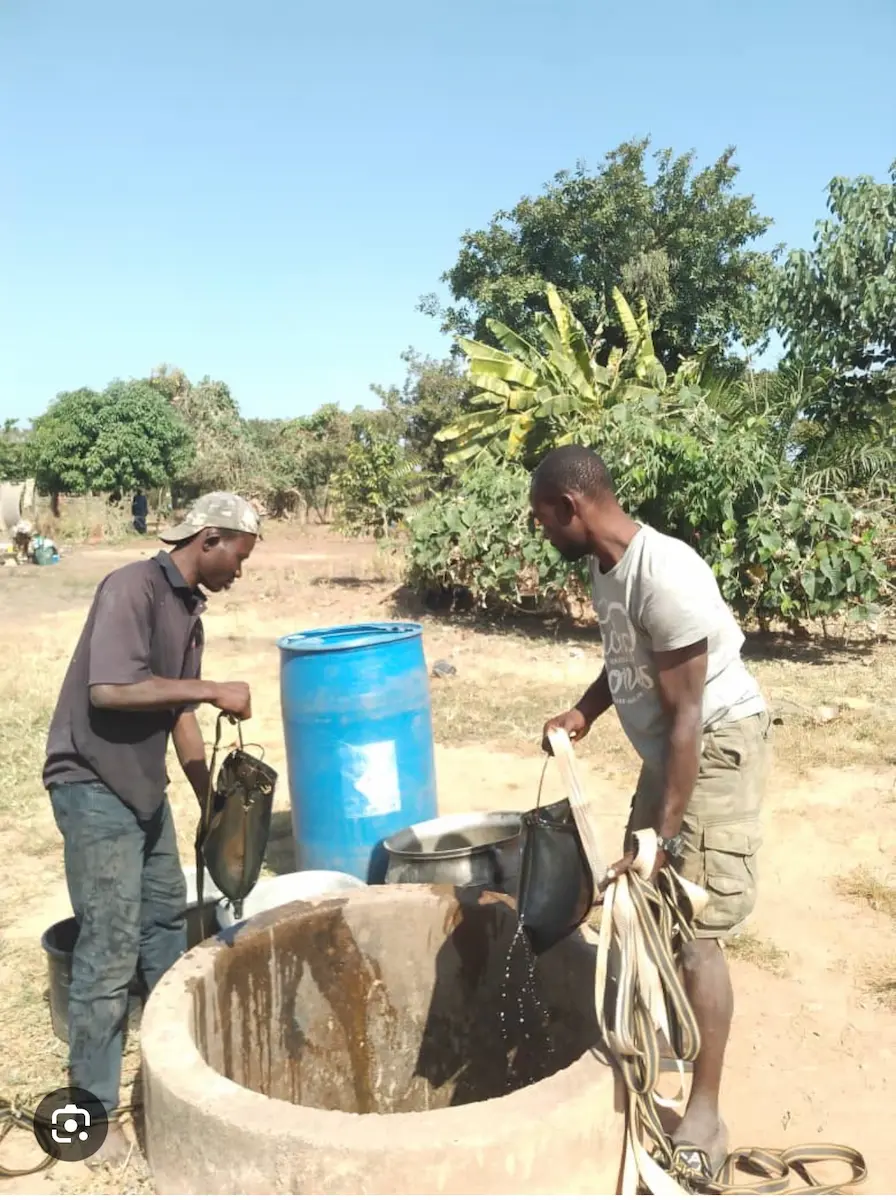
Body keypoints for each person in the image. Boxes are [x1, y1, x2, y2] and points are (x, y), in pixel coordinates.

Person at [531, 445, 771, 1176]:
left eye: (542, 517)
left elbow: (690, 716)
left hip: (714, 746)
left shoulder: (666, 574)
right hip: (669, 749)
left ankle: (705, 1111)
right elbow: (625, 654)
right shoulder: (607, 570)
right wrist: (586, 711)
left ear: (572, 508)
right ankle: (664, 1030)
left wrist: (664, 838)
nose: (539, 531)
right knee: (650, 906)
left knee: (694, 926)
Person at [42, 492, 261, 1166]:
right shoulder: (130, 588)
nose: (240, 572)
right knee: (108, 945)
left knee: (166, 921)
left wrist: (206, 799)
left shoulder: (188, 612)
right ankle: (94, 1114)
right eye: (239, 558)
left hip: (141, 789)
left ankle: (176, 1070)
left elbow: (179, 715)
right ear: (210, 538)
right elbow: (110, 689)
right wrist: (209, 689)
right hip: (91, 782)